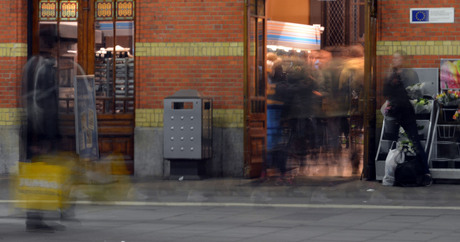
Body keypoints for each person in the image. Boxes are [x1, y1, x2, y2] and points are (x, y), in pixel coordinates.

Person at [382, 50, 432, 186]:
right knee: (393, 142)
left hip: (407, 113)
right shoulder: (391, 74)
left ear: (403, 60)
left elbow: (415, 91)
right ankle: (392, 173)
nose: (395, 61)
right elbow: (385, 91)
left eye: (397, 58)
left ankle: (425, 172)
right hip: (396, 113)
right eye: (394, 58)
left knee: (415, 142)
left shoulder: (409, 74)